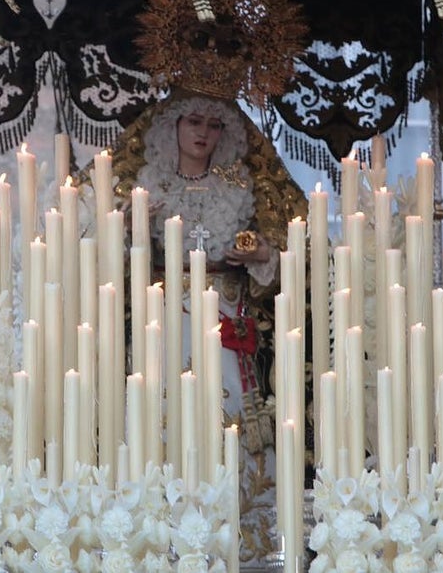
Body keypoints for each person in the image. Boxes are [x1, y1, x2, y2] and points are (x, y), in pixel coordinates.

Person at [108, 92, 308, 561]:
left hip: (225, 314)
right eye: (193, 122)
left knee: (232, 413)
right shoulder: (150, 184)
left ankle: (243, 536)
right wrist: (130, 231)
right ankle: (160, 530)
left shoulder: (238, 186)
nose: (203, 133)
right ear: (173, 127)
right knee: (161, 410)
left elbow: (284, 255)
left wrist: (260, 254)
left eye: (213, 125)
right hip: (165, 317)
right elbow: (116, 262)